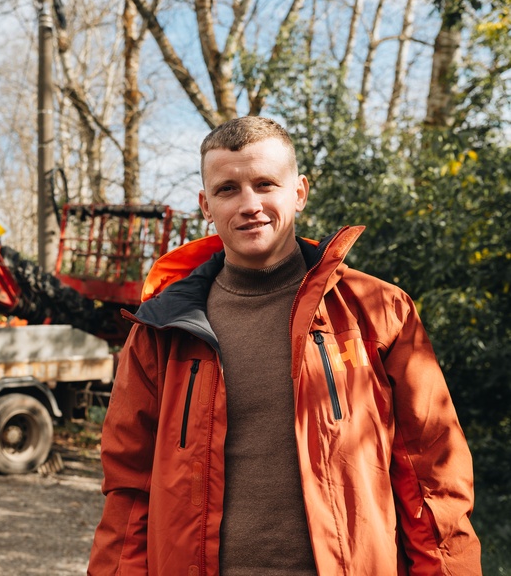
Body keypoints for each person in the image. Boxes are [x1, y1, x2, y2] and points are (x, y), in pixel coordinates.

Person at [87, 116, 481, 574]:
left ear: (299, 192)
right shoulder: (161, 328)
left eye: (265, 184)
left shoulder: (380, 311)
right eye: (228, 189)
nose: (249, 204)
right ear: (206, 205)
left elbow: (432, 478)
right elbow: (130, 489)